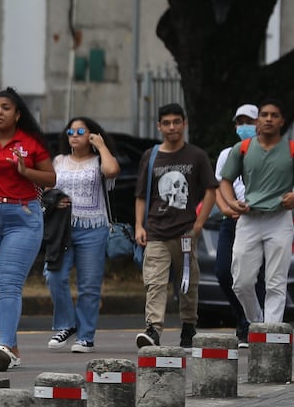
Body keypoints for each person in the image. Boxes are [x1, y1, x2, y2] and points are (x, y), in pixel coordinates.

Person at [219, 98, 294, 324]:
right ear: (259, 120)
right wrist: (231, 202)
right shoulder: (243, 149)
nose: (269, 119)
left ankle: (271, 333)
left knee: (275, 282)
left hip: (279, 220)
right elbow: (225, 181)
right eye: (265, 115)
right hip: (248, 219)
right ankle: (257, 321)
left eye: (274, 115)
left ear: (281, 122)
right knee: (241, 282)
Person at [0, 87, 56, 370]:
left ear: (18, 114)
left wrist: (26, 172)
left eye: (6, 107)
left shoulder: (30, 142)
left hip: (22, 216)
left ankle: (3, 346)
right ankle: (12, 345)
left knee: (8, 283)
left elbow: (51, 178)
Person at [134, 103, 218, 349]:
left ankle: (189, 326)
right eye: (167, 123)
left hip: (185, 232)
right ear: (159, 126)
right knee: (155, 282)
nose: (172, 127)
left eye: (176, 122)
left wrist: (199, 224)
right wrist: (139, 226)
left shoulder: (197, 156)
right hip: (156, 231)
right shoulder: (151, 157)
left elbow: (211, 190)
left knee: (187, 283)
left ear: (184, 124)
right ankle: (153, 329)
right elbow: (141, 195)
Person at [44, 117, 120, 353]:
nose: (74, 135)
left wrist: (102, 146)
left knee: (89, 285)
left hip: (93, 228)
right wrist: (54, 201)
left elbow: (112, 170)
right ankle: (68, 324)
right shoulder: (59, 160)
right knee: (53, 274)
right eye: (70, 131)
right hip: (63, 228)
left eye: (80, 131)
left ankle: (85, 336)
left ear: (91, 135)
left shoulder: (99, 161)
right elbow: (46, 190)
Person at [214, 103, 265, 345]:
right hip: (233, 220)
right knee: (224, 272)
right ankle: (243, 316)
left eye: (249, 121)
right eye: (239, 122)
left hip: (259, 220)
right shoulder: (227, 154)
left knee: (258, 275)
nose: (244, 127)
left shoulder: (267, 152)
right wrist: (227, 207)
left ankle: (257, 326)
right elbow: (219, 185)